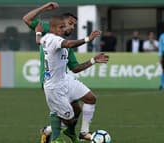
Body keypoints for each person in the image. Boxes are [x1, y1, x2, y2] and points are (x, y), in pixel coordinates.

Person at [22, 2, 109, 143]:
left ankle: (78, 133)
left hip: (64, 79)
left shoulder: (66, 44)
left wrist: (93, 60)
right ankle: (53, 135)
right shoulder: (49, 31)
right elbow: (27, 19)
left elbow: (75, 68)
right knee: (63, 113)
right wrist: (44, 7)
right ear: (60, 24)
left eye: (74, 25)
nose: (72, 27)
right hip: (50, 81)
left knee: (82, 106)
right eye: (70, 23)